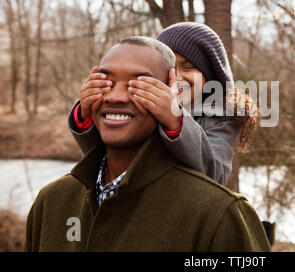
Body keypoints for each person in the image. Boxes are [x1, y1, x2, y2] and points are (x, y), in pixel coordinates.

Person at [24, 37, 270, 252]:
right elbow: (113, 153)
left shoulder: (222, 213)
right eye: (106, 82)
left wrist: (174, 117)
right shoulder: (52, 202)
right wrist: (84, 116)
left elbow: (211, 172)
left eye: (140, 84)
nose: (117, 95)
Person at [68, 22, 257, 185]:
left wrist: (175, 119)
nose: (179, 76)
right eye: (171, 68)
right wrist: (86, 116)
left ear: (210, 77)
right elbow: (106, 159)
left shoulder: (222, 116)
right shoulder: (145, 106)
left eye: (189, 67)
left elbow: (214, 175)